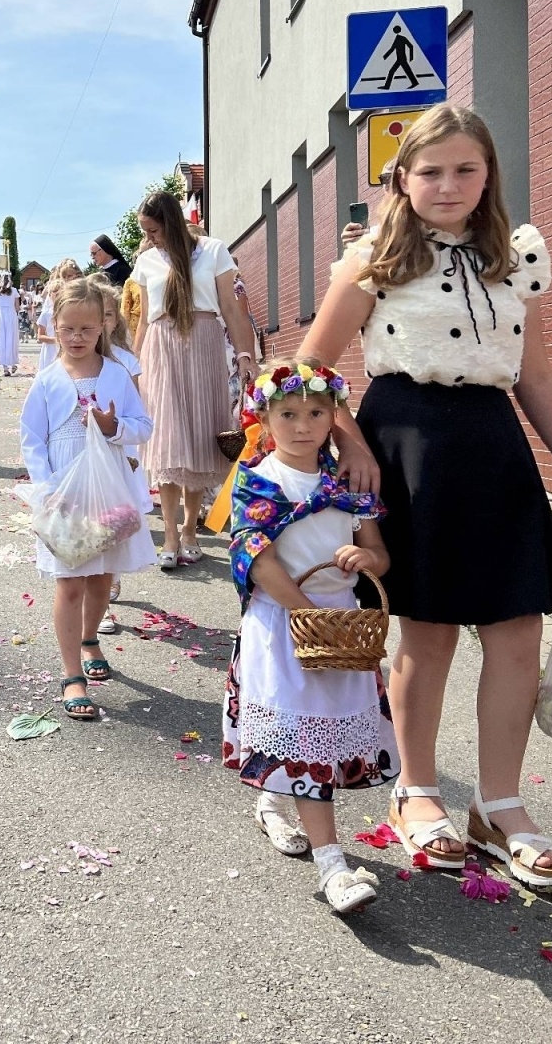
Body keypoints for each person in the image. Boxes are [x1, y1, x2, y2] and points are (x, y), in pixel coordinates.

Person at [300, 103, 552, 879]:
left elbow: (533, 374)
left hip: (491, 446)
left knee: (515, 632)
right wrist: (353, 443)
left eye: (465, 168)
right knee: (428, 632)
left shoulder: (517, 255)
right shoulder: (374, 256)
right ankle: (417, 792)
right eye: (430, 170)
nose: (448, 184)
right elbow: (309, 369)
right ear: (402, 178)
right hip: (404, 444)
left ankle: (498, 806)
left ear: (488, 175)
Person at [223, 360, 396, 914]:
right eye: (288, 413)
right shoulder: (258, 479)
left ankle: (274, 802)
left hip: (341, 629)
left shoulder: (346, 482)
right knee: (304, 743)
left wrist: (366, 556)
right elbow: (257, 555)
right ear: (265, 418)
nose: (302, 425)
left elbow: (381, 555)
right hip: (282, 624)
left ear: (333, 417)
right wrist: (305, 616)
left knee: (311, 734)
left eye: (317, 413)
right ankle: (333, 867)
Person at [19, 276, 154, 722]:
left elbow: (143, 425)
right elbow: (33, 439)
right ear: (54, 327)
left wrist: (117, 427)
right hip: (64, 491)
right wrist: (47, 487)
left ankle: (90, 635)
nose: (77, 338)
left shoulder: (116, 374)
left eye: (87, 329)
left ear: (103, 328)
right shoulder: (46, 381)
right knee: (70, 579)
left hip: (107, 487)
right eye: (68, 329)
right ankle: (71, 671)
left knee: (101, 577)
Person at [131, 191, 257, 569]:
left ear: (169, 222)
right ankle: (169, 535)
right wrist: (131, 366)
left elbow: (232, 310)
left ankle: (189, 530)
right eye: (145, 232)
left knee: (201, 439)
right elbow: (142, 319)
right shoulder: (146, 261)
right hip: (161, 349)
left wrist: (245, 355)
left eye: (153, 230)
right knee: (168, 442)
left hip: (203, 344)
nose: (150, 237)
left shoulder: (214, 250)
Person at [93, 275, 144, 635]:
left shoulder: (125, 362)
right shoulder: (67, 366)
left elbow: (137, 413)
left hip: (116, 458)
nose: (103, 323)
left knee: (111, 528)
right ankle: (93, 606)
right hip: (78, 464)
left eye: (109, 315)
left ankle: (106, 593)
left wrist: (119, 430)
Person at [36, 259, 81, 371]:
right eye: (64, 276)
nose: (68, 279)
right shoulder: (49, 309)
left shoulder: (81, 289)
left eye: (70, 276)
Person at [0, 275, 21, 376]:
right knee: (11, 338)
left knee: (1, 339)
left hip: (0, 315)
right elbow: (17, 307)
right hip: (11, 315)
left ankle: (5, 367)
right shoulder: (14, 290)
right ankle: (12, 363)